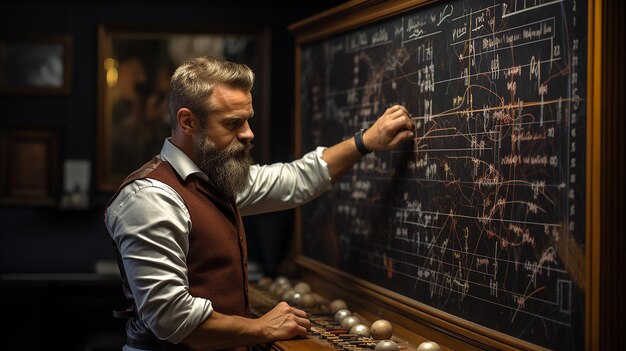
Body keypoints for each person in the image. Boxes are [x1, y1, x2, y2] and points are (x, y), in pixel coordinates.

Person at [105, 56, 414, 351]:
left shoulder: (214, 179)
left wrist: (364, 142)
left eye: (248, 120)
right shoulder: (151, 197)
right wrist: (263, 327)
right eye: (232, 123)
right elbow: (170, 317)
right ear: (187, 122)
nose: (248, 134)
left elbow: (295, 179)